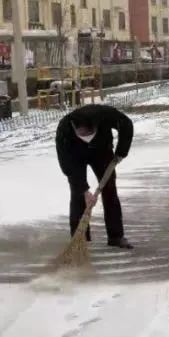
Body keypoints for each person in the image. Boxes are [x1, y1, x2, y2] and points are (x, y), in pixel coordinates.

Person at [55, 104, 134, 249]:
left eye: (89, 133)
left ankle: (116, 236)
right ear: (74, 127)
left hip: (101, 150)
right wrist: (84, 190)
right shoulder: (64, 129)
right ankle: (80, 239)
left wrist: (121, 152)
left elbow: (126, 125)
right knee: (77, 193)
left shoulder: (105, 114)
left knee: (109, 188)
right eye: (82, 134)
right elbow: (68, 166)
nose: (86, 137)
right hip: (76, 156)